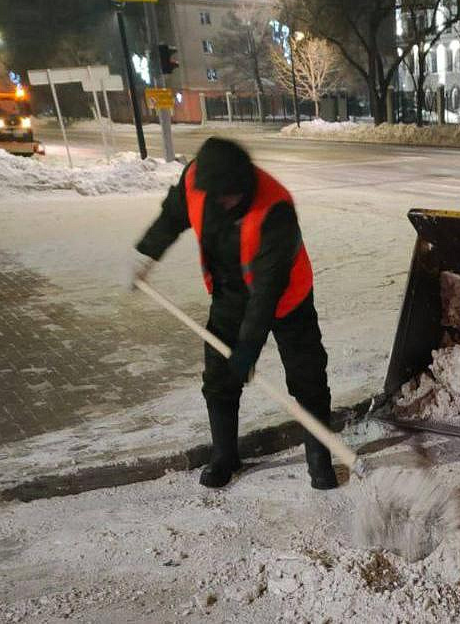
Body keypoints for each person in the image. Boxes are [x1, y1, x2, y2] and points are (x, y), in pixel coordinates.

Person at [131, 137, 338, 490]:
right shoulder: (198, 181)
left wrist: (248, 350)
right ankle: (225, 455)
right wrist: (147, 254)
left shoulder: (276, 209)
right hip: (228, 293)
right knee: (219, 379)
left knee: (308, 377)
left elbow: (267, 292)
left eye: (227, 196)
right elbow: (173, 215)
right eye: (214, 195)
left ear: (244, 187)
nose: (218, 202)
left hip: (287, 297)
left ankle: (320, 459)